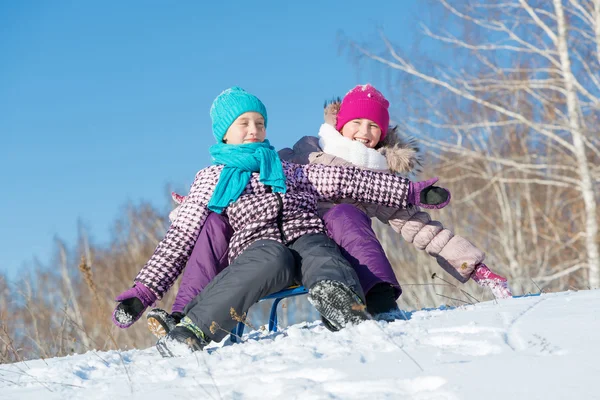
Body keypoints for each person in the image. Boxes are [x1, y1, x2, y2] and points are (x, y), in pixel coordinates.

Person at [145, 84, 511, 339]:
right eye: (357, 123)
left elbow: (419, 226)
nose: (365, 133)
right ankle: (184, 314)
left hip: (318, 245)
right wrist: (196, 204)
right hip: (265, 237)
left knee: (343, 214)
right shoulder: (304, 155)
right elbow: (255, 173)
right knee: (212, 223)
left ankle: (371, 296)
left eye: (374, 127)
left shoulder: (374, 175)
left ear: (383, 137)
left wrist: (471, 263)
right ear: (340, 124)